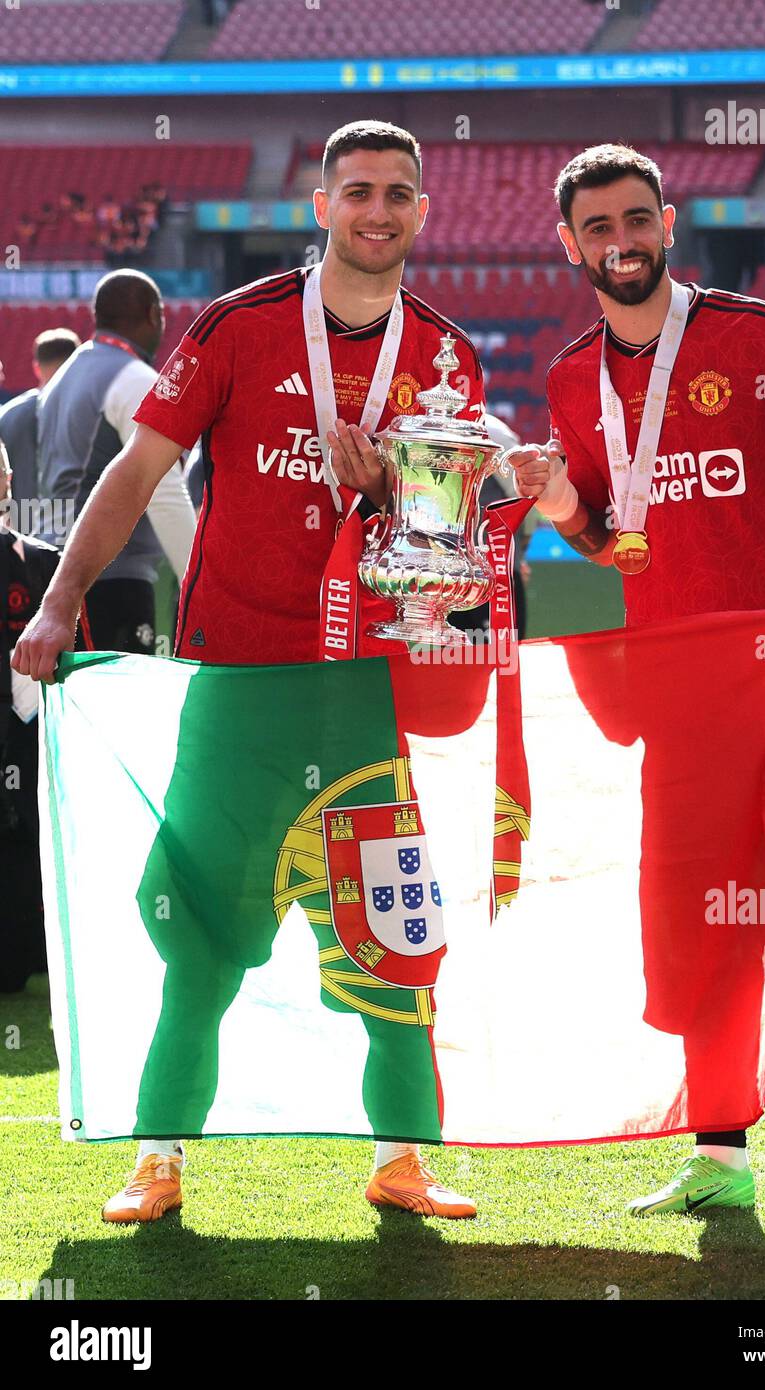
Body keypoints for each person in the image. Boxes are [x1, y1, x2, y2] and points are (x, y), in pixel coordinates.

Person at [14, 119, 518, 1224]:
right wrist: (59, 599)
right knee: (202, 942)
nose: (376, 210)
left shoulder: (444, 359)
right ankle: (158, 1158)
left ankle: (400, 1158)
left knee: (392, 947)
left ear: (423, 211)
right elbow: (138, 470)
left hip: (364, 699)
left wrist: (392, 494)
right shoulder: (237, 328)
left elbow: (448, 571)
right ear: (321, 205)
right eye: (356, 191)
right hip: (237, 685)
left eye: (397, 193)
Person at [512, 143, 765, 1229]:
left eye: (636, 219)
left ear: (667, 223)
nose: (619, 242)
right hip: (675, 705)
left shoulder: (759, 334)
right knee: (695, 933)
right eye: (596, 227)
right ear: (568, 242)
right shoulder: (572, 375)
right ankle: (718, 1150)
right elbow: (601, 535)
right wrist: (550, 505)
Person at [35, 270, 195, 653]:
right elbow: (163, 491)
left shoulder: (66, 373)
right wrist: (200, 582)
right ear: (152, 314)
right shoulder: (134, 377)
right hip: (107, 578)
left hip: (59, 574)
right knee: (125, 710)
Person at [0, 443, 60, 992]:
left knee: (36, 827)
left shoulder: (43, 561)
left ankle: (37, 948)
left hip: (33, 724)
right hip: (21, 723)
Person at [0, 329, 81, 526]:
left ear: (37, 368)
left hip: (21, 533)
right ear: (77, 366)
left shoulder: (8, 415)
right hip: (75, 531)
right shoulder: (92, 412)